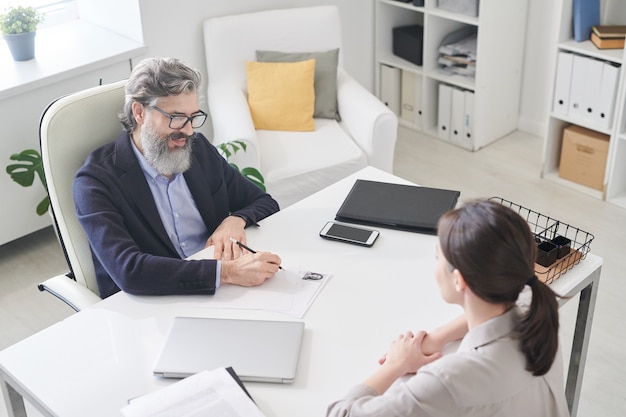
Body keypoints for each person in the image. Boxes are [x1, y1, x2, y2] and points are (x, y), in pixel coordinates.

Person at [327, 199, 569, 417]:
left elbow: (340, 414)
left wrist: (396, 364)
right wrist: (437, 337)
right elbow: (517, 301)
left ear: (459, 280)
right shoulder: (538, 311)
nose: (435, 267)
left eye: (438, 258)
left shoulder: (448, 381)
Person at [74, 57, 281, 299]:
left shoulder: (198, 149)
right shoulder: (95, 182)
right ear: (139, 112)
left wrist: (235, 220)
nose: (189, 130)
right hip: (153, 301)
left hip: (222, 288)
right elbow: (129, 270)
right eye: (176, 117)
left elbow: (264, 202)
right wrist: (226, 273)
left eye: (193, 117)